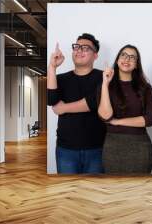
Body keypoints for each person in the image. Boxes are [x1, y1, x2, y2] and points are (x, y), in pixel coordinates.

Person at [47, 33, 106, 174]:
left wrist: (64, 108)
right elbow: (52, 101)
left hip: (97, 148)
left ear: (95, 55)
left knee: (94, 193)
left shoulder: (103, 77)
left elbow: (94, 102)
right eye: (77, 47)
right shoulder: (61, 78)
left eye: (85, 48)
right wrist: (52, 67)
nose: (79, 50)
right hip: (66, 148)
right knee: (68, 193)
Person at [98, 44, 152, 174]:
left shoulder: (145, 88)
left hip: (140, 148)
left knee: (138, 191)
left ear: (136, 64)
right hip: (112, 147)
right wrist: (105, 83)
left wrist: (118, 121)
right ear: (118, 59)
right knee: (113, 190)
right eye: (123, 55)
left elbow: (151, 119)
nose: (127, 59)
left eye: (132, 57)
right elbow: (106, 116)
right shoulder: (105, 86)